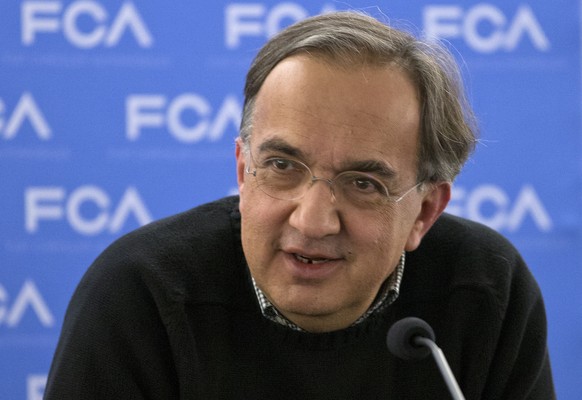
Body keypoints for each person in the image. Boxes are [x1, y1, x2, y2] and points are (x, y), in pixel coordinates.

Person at [44, 11, 555, 399]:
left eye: (362, 183)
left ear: (423, 212)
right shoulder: (142, 295)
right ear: (244, 172)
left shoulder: (488, 290)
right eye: (282, 167)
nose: (312, 221)